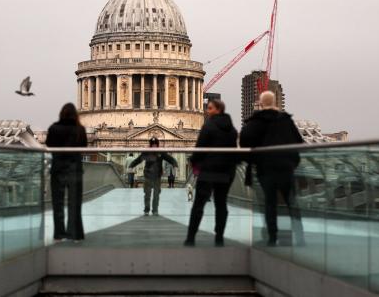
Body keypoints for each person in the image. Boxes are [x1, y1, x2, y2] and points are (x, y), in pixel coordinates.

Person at [240, 91, 305, 247]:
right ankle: (300, 237)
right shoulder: (286, 121)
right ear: (275, 102)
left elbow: (244, 144)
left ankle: (272, 237)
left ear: (261, 104)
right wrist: (292, 161)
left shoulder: (255, 122)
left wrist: (254, 161)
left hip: (265, 169)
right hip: (286, 168)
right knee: (292, 203)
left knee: (270, 204)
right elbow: (298, 142)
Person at [185, 99, 239, 247]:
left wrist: (195, 162)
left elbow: (199, 149)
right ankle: (219, 237)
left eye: (209, 108)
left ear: (217, 110)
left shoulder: (208, 126)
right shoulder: (232, 130)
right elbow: (234, 151)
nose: (207, 111)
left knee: (199, 205)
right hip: (226, 172)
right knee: (221, 205)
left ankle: (191, 237)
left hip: (208, 171)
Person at [46, 103, 87, 242]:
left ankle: (58, 234)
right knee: (74, 203)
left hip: (58, 168)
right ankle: (75, 234)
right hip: (74, 168)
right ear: (75, 114)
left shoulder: (53, 128)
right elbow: (84, 146)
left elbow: (49, 145)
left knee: (57, 203)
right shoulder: (79, 129)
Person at [128, 137, 178, 216]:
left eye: (155, 145)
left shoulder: (161, 153)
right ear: (150, 145)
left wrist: (175, 165)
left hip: (157, 176)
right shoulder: (146, 152)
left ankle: (155, 210)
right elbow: (138, 160)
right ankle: (146, 210)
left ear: (157, 145)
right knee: (147, 194)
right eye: (152, 145)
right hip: (147, 175)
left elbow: (170, 159)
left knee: (156, 194)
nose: (154, 146)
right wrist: (131, 166)